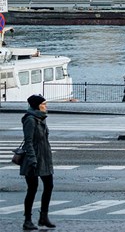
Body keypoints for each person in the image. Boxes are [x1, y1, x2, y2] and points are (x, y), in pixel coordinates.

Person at [21, 95, 55, 230]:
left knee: (49, 185)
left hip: (44, 158)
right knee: (32, 189)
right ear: (37, 105)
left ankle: (43, 217)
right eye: (43, 104)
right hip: (33, 159)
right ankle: (27, 220)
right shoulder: (30, 120)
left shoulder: (41, 118)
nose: (46, 106)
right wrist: (32, 159)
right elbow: (28, 142)